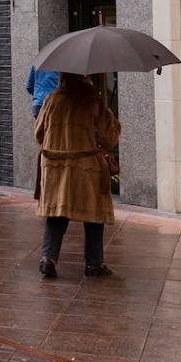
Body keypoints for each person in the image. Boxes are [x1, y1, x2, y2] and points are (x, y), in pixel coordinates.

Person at [34, 73, 120, 278]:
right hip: (86, 167)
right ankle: (94, 263)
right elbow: (110, 138)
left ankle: (49, 258)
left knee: (56, 214)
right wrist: (112, 120)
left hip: (55, 167)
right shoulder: (94, 100)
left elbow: (38, 134)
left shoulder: (52, 99)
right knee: (94, 215)